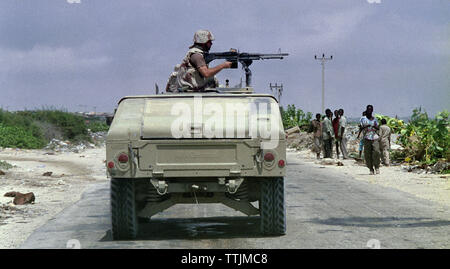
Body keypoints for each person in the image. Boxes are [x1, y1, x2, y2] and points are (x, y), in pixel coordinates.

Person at [360, 105, 381, 175]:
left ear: (372, 110)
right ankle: (371, 169)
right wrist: (366, 126)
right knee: (367, 154)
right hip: (366, 137)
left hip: (374, 137)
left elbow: (378, 127)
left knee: (376, 152)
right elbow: (361, 127)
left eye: (370, 110)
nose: (369, 111)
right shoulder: (363, 119)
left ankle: (377, 166)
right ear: (366, 110)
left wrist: (375, 126)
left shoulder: (375, 119)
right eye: (368, 109)